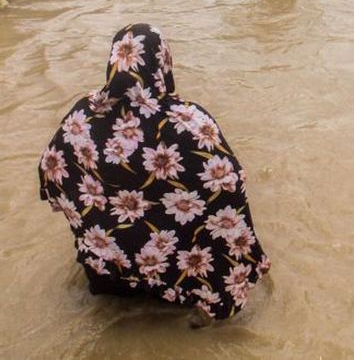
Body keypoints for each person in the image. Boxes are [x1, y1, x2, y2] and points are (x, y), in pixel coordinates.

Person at [39, 24, 270, 325]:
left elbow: (50, 172)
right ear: (162, 63)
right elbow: (230, 183)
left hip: (110, 272)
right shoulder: (186, 120)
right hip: (178, 271)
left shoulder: (82, 115)